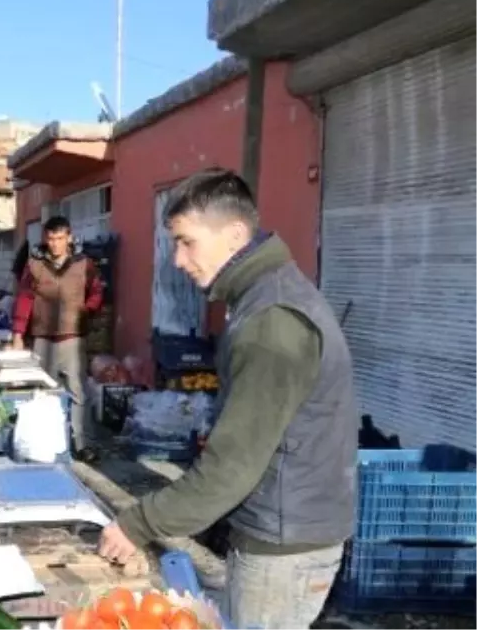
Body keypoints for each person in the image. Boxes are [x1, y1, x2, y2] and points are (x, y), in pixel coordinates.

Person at [97, 168, 357, 630]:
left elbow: (230, 469)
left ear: (235, 234)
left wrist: (137, 524)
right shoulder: (262, 296)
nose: (177, 259)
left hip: (283, 544)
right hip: (284, 526)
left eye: (186, 241)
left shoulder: (271, 319)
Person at [10, 216, 104, 462]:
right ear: (45, 238)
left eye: (60, 239)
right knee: (44, 393)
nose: (55, 244)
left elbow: (96, 291)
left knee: (78, 392)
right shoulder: (34, 265)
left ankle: (82, 444)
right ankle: (48, 444)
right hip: (43, 338)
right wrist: (18, 334)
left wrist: (88, 309)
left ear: (69, 238)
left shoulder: (84, 264)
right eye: (50, 239)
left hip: (73, 338)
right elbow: (24, 299)